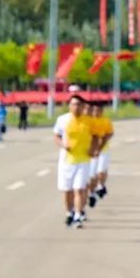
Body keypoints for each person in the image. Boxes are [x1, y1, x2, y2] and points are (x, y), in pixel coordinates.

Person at [53, 95, 96, 228]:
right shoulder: (62, 120)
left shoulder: (89, 121)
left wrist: (93, 149)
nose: (76, 107)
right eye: (73, 104)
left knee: (79, 188)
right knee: (67, 190)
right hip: (67, 161)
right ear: (69, 106)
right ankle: (69, 213)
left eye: (78, 104)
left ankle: (78, 215)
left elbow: (95, 137)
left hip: (83, 160)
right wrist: (63, 145)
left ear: (83, 107)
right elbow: (56, 136)